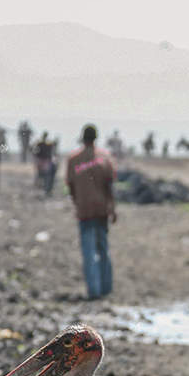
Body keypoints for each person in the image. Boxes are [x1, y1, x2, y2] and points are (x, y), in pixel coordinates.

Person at [65, 123, 116, 300]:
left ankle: (94, 291)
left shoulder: (73, 159)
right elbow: (109, 185)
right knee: (103, 249)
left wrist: (77, 202)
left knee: (88, 251)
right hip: (101, 209)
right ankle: (106, 288)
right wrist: (113, 208)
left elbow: (70, 186)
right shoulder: (105, 157)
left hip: (85, 210)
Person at [32, 131, 56, 195]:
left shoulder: (44, 144)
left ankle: (47, 190)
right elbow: (35, 152)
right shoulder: (42, 144)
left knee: (47, 176)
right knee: (46, 176)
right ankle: (46, 189)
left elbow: (35, 152)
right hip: (43, 161)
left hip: (45, 161)